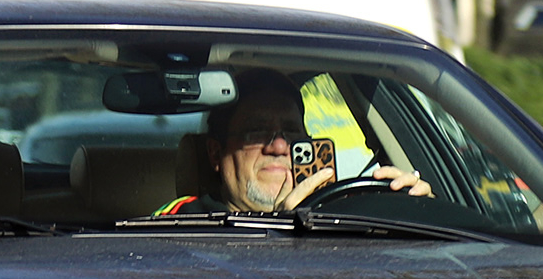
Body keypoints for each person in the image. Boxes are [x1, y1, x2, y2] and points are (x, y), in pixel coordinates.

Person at [155, 73, 430, 214]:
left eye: (292, 132)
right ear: (216, 154)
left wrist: (418, 211)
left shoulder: (342, 213)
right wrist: (280, 231)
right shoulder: (183, 220)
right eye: (257, 132)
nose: (278, 147)